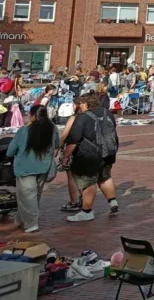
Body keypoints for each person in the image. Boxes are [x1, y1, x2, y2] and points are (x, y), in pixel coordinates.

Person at [62, 93, 120, 222]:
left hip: (89, 155)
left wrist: (66, 156)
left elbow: (74, 139)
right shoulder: (107, 112)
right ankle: (113, 202)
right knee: (105, 177)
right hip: (108, 152)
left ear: (86, 103)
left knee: (88, 181)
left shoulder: (83, 117)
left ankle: (86, 211)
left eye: (80, 104)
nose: (79, 106)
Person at [6, 105, 59, 233]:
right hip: (44, 167)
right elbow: (57, 145)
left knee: (27, 197)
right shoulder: (52, 129)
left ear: (33, 115)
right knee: (33, 196)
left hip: (25, 168)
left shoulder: (24, 131)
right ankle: (20, 220)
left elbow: (10, 152)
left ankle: (31, 223)